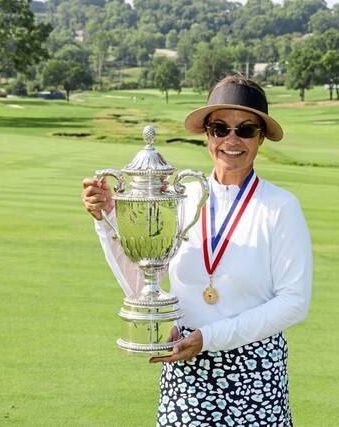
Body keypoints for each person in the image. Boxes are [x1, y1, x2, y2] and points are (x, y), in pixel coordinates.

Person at [81, 75, 312, 426]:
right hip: (186, 370)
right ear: (207, 134)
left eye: (245, 129)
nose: (231, 140)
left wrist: (208, 339)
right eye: (220, 128)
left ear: (261, 137)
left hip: (255, 374)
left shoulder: (280, 206)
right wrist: (108, 218)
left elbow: (294, 302)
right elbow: (146, 280)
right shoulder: (181, 196)